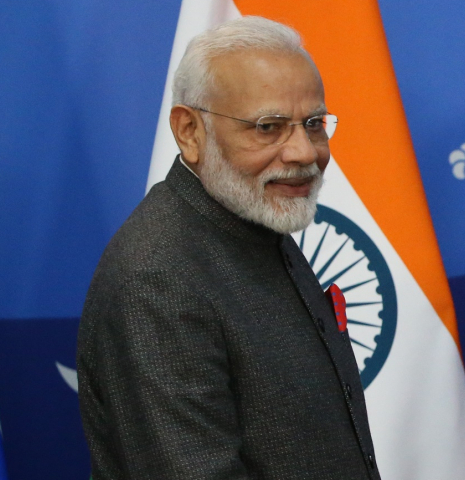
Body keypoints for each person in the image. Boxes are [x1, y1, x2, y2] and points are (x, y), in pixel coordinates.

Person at [77, 17, 380, 479]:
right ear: (189, 132)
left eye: (314, 124)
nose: (303, 152)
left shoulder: (252, 217)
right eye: (268, 127)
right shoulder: (157, 279)